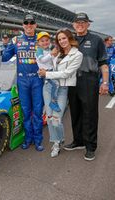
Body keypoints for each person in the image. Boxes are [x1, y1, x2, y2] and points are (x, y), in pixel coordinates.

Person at [64, 13, 109, 161]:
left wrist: (105, 82)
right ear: (73, 24)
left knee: (90, 114)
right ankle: (78, 141)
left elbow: (103, 63)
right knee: (75, 112)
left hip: (89, 80)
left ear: (88, 24)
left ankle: (90, 147)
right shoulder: (70, 40)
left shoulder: (96, 40)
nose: (80, 24)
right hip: (72, 80)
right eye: (78, 22)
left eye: (83, 22)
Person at [2, 14, 44, 151]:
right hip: (22, 80)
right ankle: (28, 138)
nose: (29, 25)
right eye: (26, 22)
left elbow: (53, 55)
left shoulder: (41, 40)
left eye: (32, 22)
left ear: (35, 25)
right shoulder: (16, 40)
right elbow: (4, 57)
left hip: (38, 79)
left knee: (37, 111)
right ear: (23, 25)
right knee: (26, 111)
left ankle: (38, 139)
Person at [38, 29, 83, 157]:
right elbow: (43, 61)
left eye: (64, 38)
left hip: (62, 89)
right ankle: (56, 143)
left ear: (69, 38)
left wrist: (47, 73)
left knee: (57, 119)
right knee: (50, 118)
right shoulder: (56, 52)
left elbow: (67, 73)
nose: (62, 41)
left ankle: (59, 140)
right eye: (59, 39)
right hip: (48, 87)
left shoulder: (77, 55)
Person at [36, 32, 61, 112]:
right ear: (38, 43)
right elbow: (42, 60)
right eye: (42, 41)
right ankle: (52, 103)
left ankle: (48, 106)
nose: (45, 42)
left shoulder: (48, 50)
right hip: (45, 73)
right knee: (55, 85)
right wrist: (51, 54)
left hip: (50, 72)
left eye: (47, 40)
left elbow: (52, 60)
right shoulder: (39, 50)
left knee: (54, 87)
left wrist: (54, 54)